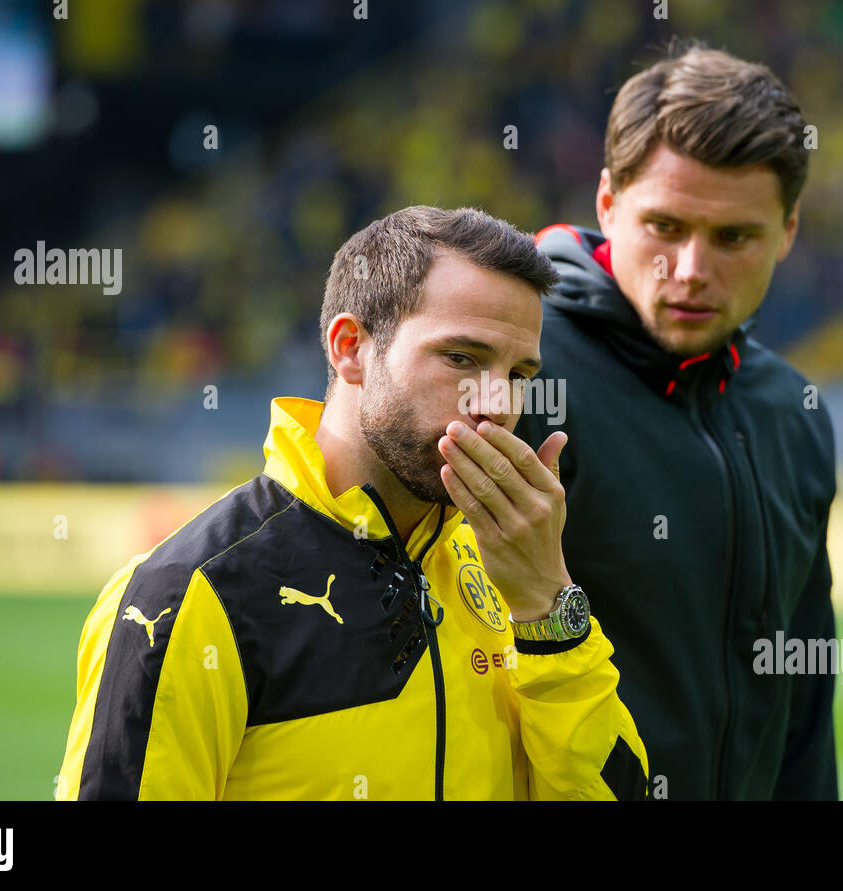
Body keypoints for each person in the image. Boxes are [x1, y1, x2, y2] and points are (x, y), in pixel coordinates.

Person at [57, 205, 648, 800]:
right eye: (462, 358)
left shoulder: (509, 573)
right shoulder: (187, 599)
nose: (495, 403)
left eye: (520, 374)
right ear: (350, 348)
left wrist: (548, 607)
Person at [516, 43, 837, 799]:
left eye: (733, 238)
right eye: (664, 226)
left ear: (788, 232)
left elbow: (804, 703)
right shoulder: (512, 374)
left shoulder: (795, 413)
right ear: (606, 204)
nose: (691, 268)